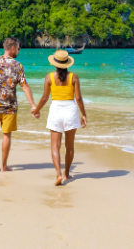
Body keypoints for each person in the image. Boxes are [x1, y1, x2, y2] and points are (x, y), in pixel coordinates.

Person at [0, 37, 38, 172]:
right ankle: (3, 166)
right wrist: (33, 105)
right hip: (10, 107)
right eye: (18, 48)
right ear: (12, 48)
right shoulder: (17, 65)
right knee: (6, 135)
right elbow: (25, 86)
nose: (18, 50)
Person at [33, 50, 87, 186]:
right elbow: (79, 98)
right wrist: (84, 114)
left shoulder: (49, 77)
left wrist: (36, 110)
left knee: (55, 146)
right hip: (71, 110)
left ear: (54, 63)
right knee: (69, 146)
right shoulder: (74, 77)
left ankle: (58, 174)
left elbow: (45, 98)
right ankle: (66, 174)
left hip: (56, 110)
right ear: (67, 63)